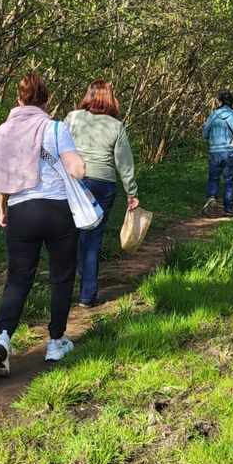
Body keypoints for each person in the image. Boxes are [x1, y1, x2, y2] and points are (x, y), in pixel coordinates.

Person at [0, 72, 86, 377]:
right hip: (58, 212)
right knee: (61, 277)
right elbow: (77, 169)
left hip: (20, 212)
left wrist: (2, 211)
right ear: (46, 100)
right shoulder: (55, 128)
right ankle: (55, 342)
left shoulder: (3, 132)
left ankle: (3, 337)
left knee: (17, 279)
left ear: (19, 99)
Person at [65, 80, 139, 307]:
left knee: (69, 235)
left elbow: (59, 147)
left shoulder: (73, 118)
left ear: (88, 95)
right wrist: (131, 192)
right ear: (110, 98)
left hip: (73, 182)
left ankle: (65, 289)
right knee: (92, 239)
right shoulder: (116, 125)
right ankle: (87, 296)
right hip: (102, 184)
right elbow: (124, 162)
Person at [202, 91, 233, 218]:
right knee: (229, 180)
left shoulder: (213, 116)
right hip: (230, 151)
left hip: (215, 151)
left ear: (220, 102)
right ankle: (228, 209)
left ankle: (211, 197)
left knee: (213, 178)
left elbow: (204, 134)